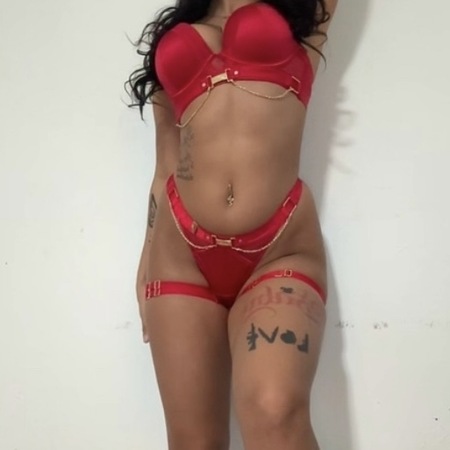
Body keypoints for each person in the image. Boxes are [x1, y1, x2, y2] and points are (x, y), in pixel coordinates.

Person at [127, 0, 337, 449]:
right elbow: (166, 163)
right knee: (194, 443)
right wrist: (147, 251)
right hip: (179, 252)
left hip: (280, 246)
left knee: (275, 410)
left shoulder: (300, 14)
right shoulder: (180, 29)